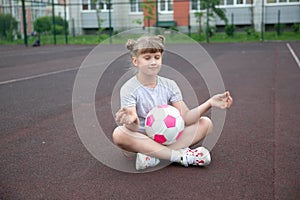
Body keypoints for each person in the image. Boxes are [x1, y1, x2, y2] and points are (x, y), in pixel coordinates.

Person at [113, 35, 233, 170]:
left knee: (206, 123)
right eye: (147, 58)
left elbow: (186, 118)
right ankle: (181, 156)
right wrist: (131, 121)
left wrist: (210, 103)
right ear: (136, 61)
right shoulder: (129, 88)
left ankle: (153, 157)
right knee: (119, 134)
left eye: (157, 57)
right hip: (141, 139)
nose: (153, 62)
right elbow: (133, 129)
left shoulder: (170, 85)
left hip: (166, 138)